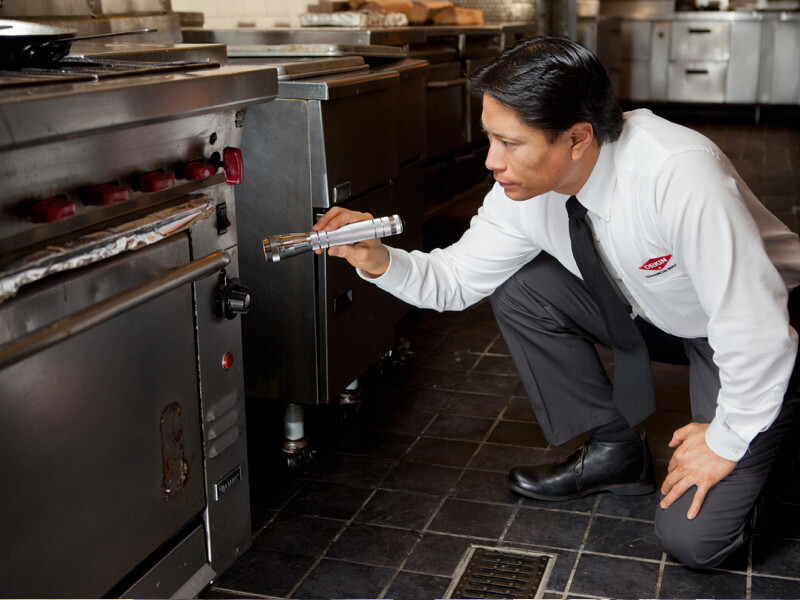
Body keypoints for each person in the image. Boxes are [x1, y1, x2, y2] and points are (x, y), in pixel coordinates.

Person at [312, 35, 800, 570]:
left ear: (577, 138)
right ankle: (617, 453)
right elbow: (453, 280)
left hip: (763, 326)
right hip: (659, 311)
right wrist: (377, 258)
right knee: (523, 287)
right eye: (490, 139)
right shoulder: (522, 189)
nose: (492, 162)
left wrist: (728, 438)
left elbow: (753, 325)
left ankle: (779, 423)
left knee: (694, 540)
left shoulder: (675, 174)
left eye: (511, 143)